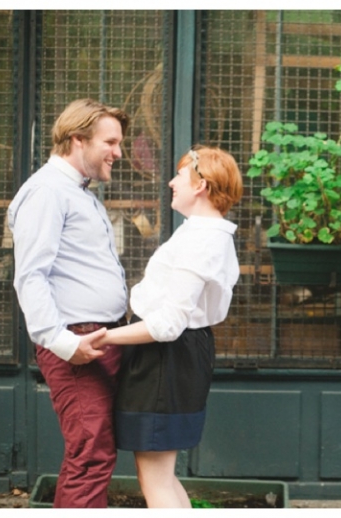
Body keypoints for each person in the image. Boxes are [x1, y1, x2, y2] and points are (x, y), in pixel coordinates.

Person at [90, 144, 243, 508]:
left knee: (155, 477)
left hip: (164, 359)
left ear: (201, 185)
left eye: (179, 175)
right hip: (176, 357)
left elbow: (169, 324)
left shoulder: (201, 240)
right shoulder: (208, 233)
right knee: (161, 475)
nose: (172, 182)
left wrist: (105, 337)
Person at [8, 98, 130, 508]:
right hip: (77, 345)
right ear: (78, 140)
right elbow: (30, 276)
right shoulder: (45, 192)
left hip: (99, 339)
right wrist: (63, 344)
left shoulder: (78, 193)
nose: (119, 152)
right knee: (91, 456)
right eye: (110, 142)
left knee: (97, 454)